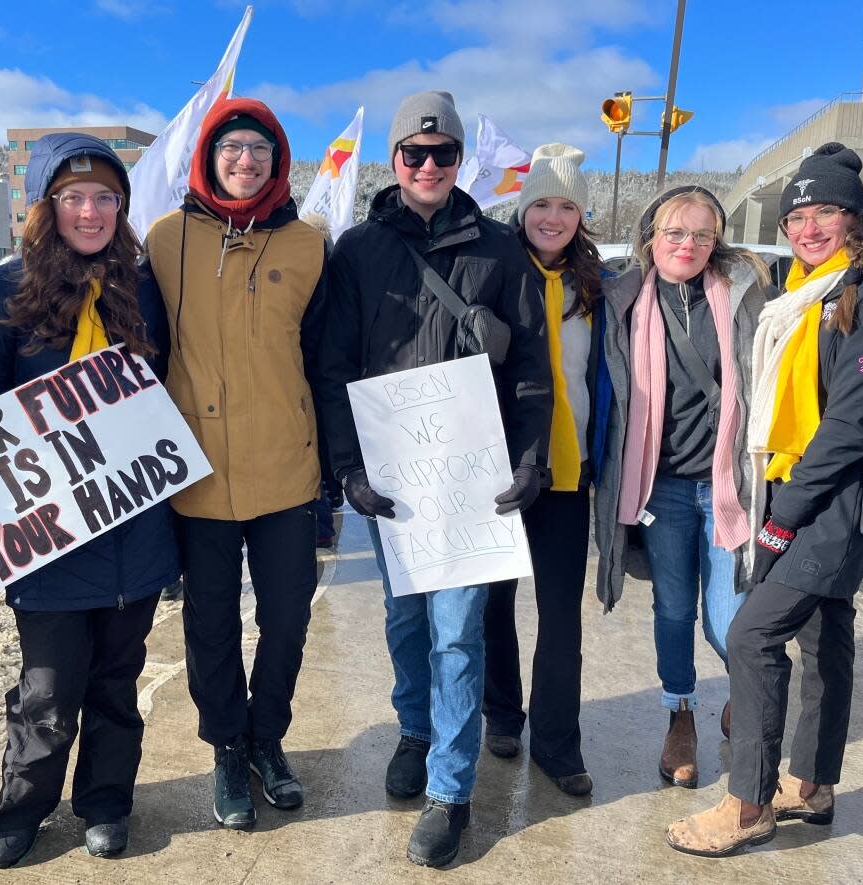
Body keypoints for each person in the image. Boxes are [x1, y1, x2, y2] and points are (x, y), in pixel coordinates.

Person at [667, 143, 863, 857]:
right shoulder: (809, 285)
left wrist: (782, 519)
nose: (809, 227)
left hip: (837, 496)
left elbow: (848, 421)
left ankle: (747, 801)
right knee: (825, 631)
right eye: (798, 215)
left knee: (753, 634)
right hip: (801, 481)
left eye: (826, 213)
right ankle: (812, 782)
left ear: (856, 216)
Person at [318, 91, 549, 868]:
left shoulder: (501, 248)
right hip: (391, 476)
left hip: (470, 480)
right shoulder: (357, 250)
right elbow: (334, 364)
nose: (426, 166)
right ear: (395, 160)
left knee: (457, 631)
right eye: (413, 154)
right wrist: (346, 466)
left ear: (458, 161)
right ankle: (414, 726)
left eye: (442, 153)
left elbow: (531, 369)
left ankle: (451, 790)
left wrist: (529, 456)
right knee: (405, 621)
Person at [0, 133, 180, 867]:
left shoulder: (144, 284)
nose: (89, 212)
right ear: (46, 206)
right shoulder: (4, 290)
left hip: (136, 527)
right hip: (50, 534)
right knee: (49, 692)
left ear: (120, 206)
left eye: (104, 198)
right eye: (72, 198)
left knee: (118, 683)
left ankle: (105, 801)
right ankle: (21, 808)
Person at [144, 98, 327, 830]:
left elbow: (328, 358)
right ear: (207, 157)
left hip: (287, 469)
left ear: (278, 161)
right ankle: (226, 743)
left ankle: (267, 737)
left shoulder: (310, 246)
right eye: (231, 149)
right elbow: (135, 349)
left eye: (258, 150)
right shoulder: (164, 240)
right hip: (198, 474)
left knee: (286, 619)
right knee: (211, 624)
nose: (244, 162)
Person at [595, 185, 772, 789]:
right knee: (672, 610)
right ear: (651, 238)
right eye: (675, 232)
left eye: (702, 234)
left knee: (730, 622)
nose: (688, 245)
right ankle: (680, 714)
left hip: (727, 483)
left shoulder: (745, 295)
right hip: (661, 489)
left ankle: (743, 697)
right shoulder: (623, 300)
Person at [481, 144, 610, 797]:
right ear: (523, 208)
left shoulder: (595, 288)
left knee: (561, 615)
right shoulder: (495, 271)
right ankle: (501, 713)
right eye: (542, 203)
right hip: (502, 468)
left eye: (567, 205)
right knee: (493, 602)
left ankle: (558, 742)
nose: (553, 216)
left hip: (568, 471)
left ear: (581, 216)